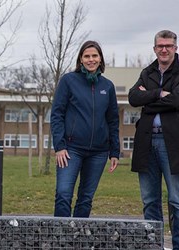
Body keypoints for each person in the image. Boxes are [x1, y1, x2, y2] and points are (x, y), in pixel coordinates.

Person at [128, 30, 179, 250]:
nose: (164, 49)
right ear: (155, 48)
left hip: (174, 144)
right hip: (146, 142)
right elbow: (132, 98)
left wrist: (148, 99)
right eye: (160, 46)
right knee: (150, 201)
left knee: (177, 201)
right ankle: (154, 247)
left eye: (168, 45)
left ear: (175, 48)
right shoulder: (147, 72)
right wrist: (160, 94)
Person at [51, 40, 120, 218]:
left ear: (100, 59)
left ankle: (77, 239)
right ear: (81, 59)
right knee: (63, 195)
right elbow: (57, 114)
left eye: (94, 56)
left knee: (86, 199)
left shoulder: (108, 86)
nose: (91, 60)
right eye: (87, 56)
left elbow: (113, 120)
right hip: (70, 150)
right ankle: (60, 240)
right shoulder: (68, 81)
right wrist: (60, 146)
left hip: (99, 152)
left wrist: (114, 152)